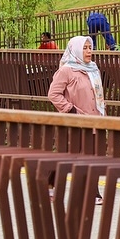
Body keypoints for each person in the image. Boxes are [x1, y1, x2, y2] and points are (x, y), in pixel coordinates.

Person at [47, 36, 106, 204]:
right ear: (76, 49)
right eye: (85, 48)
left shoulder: (93, 69)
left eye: (90, 47)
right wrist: (70, 109)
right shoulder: (66, 70)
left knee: (92, 156)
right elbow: (53, 94)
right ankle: (49, 185)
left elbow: (97, 96)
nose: (89, 51)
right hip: (74, 121)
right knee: (66, 157)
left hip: (93, 119)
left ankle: (93, 193)